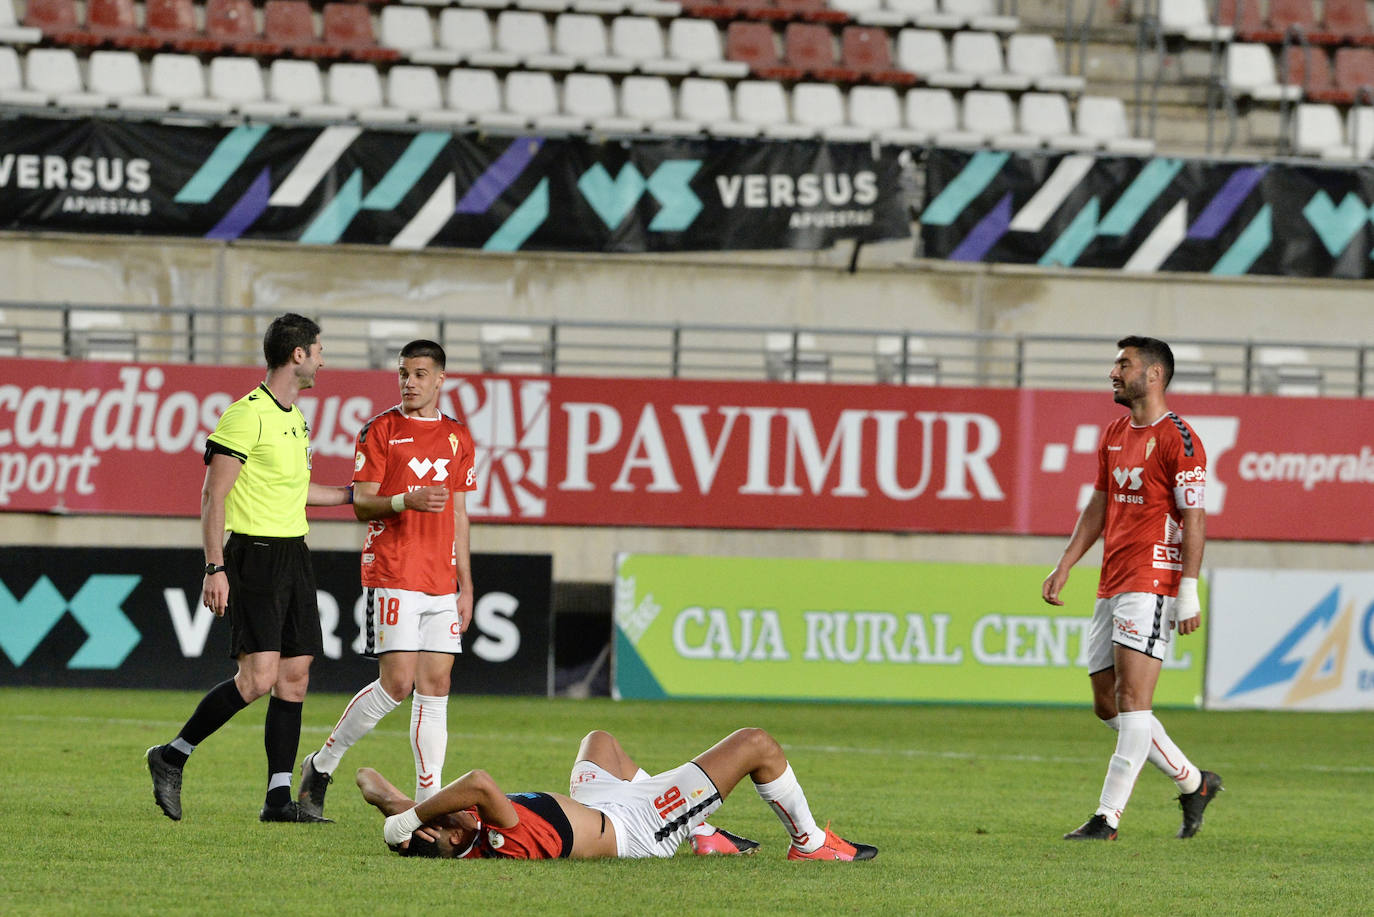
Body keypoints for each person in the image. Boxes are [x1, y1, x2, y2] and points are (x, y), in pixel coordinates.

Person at [146, 313, 351, 824]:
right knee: (257, 678)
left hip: (294, 553)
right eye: (319, 349)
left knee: (295, 677)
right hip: (254, 554)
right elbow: (213, 494)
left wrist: (354, 495)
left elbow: (297, 491)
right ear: (298, 354)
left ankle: (278, 800)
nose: (323, 359)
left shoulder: (296, 417)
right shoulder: (246, 415)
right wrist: (214, 566)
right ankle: (172, 755)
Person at [1042, 335, 1223, 841]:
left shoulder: (1180, 439)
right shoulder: (1115, 432)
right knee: (1108, 703)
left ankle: (1107, 818)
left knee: (1134, 699)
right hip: (1113, 578)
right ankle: (1194, 782)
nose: (1114, 373)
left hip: (1154, 578)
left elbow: (1195, 517)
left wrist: (1188, 588)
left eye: (1124, 364)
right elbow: (1099, 504)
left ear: (1154, 375)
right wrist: (1066, 564)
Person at [294, 340, 476, 820]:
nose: (410, 382)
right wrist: (404, 501)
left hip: (441, 580)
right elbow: (363, 501)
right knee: (396, 684)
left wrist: (466, 584)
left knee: (436, 685)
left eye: (419, 374)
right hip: (393, 570)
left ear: (440, 379)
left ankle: (428, 800)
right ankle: (322, 762)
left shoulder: (458, 437)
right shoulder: (379, 430)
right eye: (403, 373)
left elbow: (459, 512)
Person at [357, 727, 877, 861]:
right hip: (640, 826)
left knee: (599, 741)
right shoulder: (497, 838)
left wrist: (398, 817)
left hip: (603, 803)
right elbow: (478, 781)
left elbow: (370, 780)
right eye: (449, 823)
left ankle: (706, 834)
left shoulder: (455, 830)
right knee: (756, 745)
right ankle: (811, 844)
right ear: (453, 840)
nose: (458, 813)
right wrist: (408, 822)